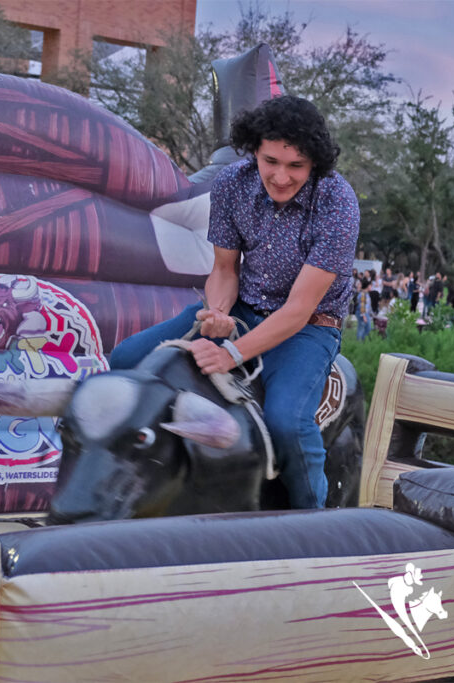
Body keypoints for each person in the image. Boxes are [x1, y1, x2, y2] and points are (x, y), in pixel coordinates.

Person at [109, 95, 359, 510]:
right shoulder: (231, 183)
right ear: (254, 152)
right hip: (242, 308)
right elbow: (225, 270)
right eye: (270, 161)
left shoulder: (337, 202)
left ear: (314, 162)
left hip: (310, 325)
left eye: (295, 165)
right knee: (126, 359)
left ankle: (314, 527)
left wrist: (230, 354)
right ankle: (136, 493)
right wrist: (218, 314)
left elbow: (298, 308)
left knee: (287, 422)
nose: (280, 176)